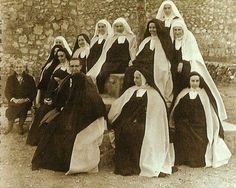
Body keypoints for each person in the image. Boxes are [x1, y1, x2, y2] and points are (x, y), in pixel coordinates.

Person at [31, 58, 107, 174]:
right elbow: (61, 96)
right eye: (72, 66)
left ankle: (67, 164)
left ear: (81, 67)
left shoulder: (86, 81)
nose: (74, 69)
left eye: (76, 66)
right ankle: (42, 160)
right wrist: (56, 104)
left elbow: (92, 101)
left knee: (67, 133)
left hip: (80, 115)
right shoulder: (67, 79)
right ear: (69, 67)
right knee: (50, 127)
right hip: (67, 112)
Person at [108, 67, 174, 177]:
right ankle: (128, 165)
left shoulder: (154, 94)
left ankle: (139, 164)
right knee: (124, 129)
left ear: (144, 78)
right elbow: (119, 106)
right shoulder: (131, 91)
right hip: (129, 120)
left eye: (137, 78)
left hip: (147, 123)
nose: (135, 80)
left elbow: (156, 115)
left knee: (137, 131)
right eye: (134, 78)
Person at [170, 72, 231, 168]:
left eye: (197, 81)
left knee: (199, 138)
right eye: (192, 81)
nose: (195, 83)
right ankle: (183, 159)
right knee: (182, 131)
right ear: (189, 81)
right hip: (185, 123)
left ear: (200, 82)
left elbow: (209, 114)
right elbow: (176, 111)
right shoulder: (183, 93)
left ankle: (195, 161)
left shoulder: (204, 95)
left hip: (199, 124)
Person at [170, 19, 227, 120]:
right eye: (175, 30)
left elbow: (192, 54)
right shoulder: (173, 41)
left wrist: (183, 62)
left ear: (183, 30)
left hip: (188, 68)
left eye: (179, 30)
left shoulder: (189, 38)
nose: (177, 32)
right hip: (176, 72)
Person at [123, 18, 174, 104]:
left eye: (154, 27)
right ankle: (130, 96)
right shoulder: (146, 40)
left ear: (158, 28)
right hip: (143, 64)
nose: (152, 30)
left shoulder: (164, 41)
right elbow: (140, 55)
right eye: (150, 27)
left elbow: (165, 58)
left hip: (155, 65)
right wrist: (134, 61)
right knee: (129, 71)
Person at [26, 48, 71, 146]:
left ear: (66, 55)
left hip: (61, 99)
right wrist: (47, 97)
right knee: (41, 111)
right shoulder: (58, 66)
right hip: (53, 96)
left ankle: (41, 140)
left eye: (62, 56)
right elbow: (51, 85)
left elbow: (67, 90)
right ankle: (35, 140)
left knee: (47, 114)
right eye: (58, 56)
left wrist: (53, 101)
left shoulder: (70, 67)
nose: (60, 58)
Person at [87, 17, 137, 93]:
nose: (119, 28)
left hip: (124, 62)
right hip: (111, 62)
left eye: (121, 26)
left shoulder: (131, 37)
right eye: (117, 26)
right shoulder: (111, 38)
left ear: (124, 26)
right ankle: (99, 92)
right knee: (100, 74)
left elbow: (132, 51)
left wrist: (132, 61)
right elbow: (107, 52)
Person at [4, 60, 37, 135]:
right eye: (17, 67)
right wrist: (13, 99)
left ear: (24, 68)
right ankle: (10, 125)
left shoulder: (29, 78)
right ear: (14, 69)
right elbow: (7, 92)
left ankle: (20, 125)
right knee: (11, 109)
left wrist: (26, 99)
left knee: (23, 108)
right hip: (14, 101)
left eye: (21, 67)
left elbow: (34, 91)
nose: (19, 69)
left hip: (25, 101)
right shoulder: (10, 78)